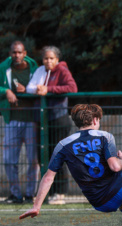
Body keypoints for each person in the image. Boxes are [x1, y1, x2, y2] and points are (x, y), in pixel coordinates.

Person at [27, 46, 78, 204]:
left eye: (51, 58)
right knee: (45, 156)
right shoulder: (41, 71)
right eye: (45, 58)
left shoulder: (62, 70)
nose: (48, 61)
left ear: (57, 59)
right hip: (43, 121)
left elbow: (72, 88)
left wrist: (49, 89)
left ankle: (60, 193)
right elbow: (31, 88)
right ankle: (47, 192)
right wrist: (38, 89)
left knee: (59, 156)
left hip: (59, 119)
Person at [0, 41, 39, 204]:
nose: (16, 55)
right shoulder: (3, 67)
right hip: (12, 120)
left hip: (31, 121)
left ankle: (30, 194)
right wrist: (6, 91)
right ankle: (15, 195)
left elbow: (41, 85)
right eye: (14, 52)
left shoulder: (34, 67)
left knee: (32, 159)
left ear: (25, 53)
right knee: (9, 159)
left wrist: (29, 90)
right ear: (10, 53)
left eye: (19, 52)